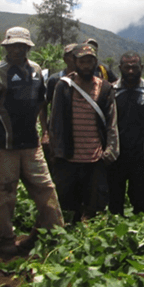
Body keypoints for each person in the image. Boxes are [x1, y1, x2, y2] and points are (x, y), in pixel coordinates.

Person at [0, 27, 64, 254]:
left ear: (28, 47)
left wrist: (44, 132)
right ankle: (6, 239)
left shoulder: (36, 71)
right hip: (4, 146)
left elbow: (41, 103)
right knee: (4, 193)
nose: (18, 49)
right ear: (6, 47)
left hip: (32, 144)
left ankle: (56, 234)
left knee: (45, 188)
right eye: (13, 46)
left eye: (22, 46)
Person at [49, 43, 119, 222]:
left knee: (94, 205)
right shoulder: (63, 86)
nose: (86, 66)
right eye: (82, 62)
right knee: (69, 204)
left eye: (90, 62)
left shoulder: (104, 88)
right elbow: (55, 122)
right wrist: (56, 151)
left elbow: (112, 122)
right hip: (68, 156)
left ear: (95, 63)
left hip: (95, 157)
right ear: (74, 62)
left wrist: (111, 149)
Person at [108, 52, 144, 216]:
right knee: (114, 199)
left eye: (134, 67)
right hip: (116, 154)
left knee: (140, 198)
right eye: (127, 67)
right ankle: (115, 234)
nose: (131, 71)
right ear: (120, 68)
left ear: (142, 68)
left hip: (142, 156)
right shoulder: (111, 91)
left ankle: (140, 234)